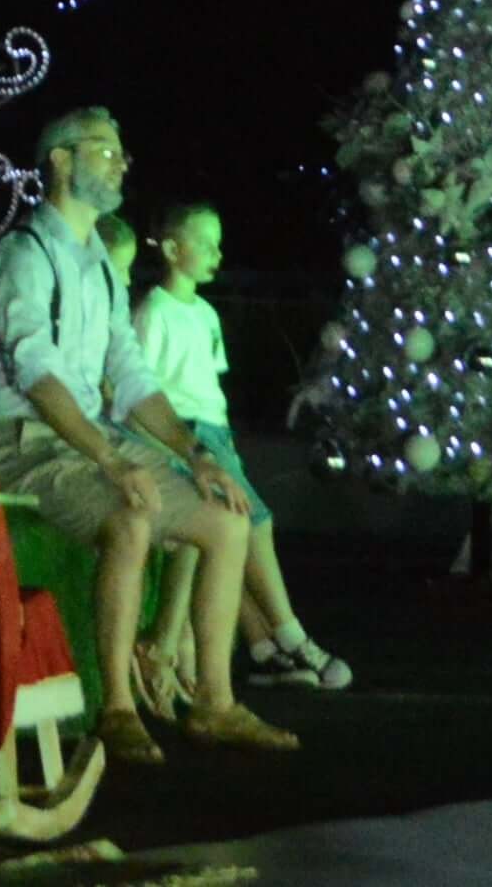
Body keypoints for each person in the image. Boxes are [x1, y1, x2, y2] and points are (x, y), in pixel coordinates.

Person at [0, 106, 298, 761]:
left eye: (121, 154)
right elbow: (36, 376)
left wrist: (194, 453)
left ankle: (214, 702)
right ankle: (117, 708)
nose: (120, 163)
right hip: (24, 439)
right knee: (130, 517)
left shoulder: (97, 263)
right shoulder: (24, 256)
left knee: (227, 521)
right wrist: (111, 459)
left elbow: (131, 372)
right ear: (60, 159)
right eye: (105, 150)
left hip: (88, 433)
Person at [135, 202, 346, 687]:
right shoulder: (154, 313)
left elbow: (209, 384)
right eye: (204, 243)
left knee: (230, 535)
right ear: (172, 249)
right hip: (185, 434)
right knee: (254, 523)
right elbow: (141, 389)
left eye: (218, 243)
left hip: (212, 433)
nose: (216, 253)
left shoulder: (206, 314)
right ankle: (291, 635)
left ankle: (263, 647)